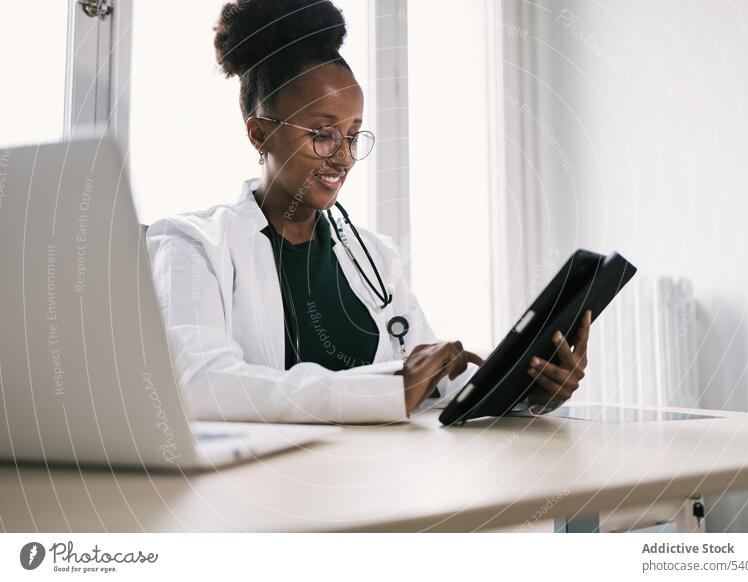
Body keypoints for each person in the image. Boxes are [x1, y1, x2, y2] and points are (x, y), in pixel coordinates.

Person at [146, 0, 590, 424]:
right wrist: (384, 389)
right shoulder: (192, 244)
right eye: (322, 134)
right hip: (263, 494)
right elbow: (200, 385)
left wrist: (528, 388)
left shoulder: (374, 259)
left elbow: (436, 387)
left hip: (384, 490)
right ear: (259, 134)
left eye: (353, 135)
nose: (343, 158)